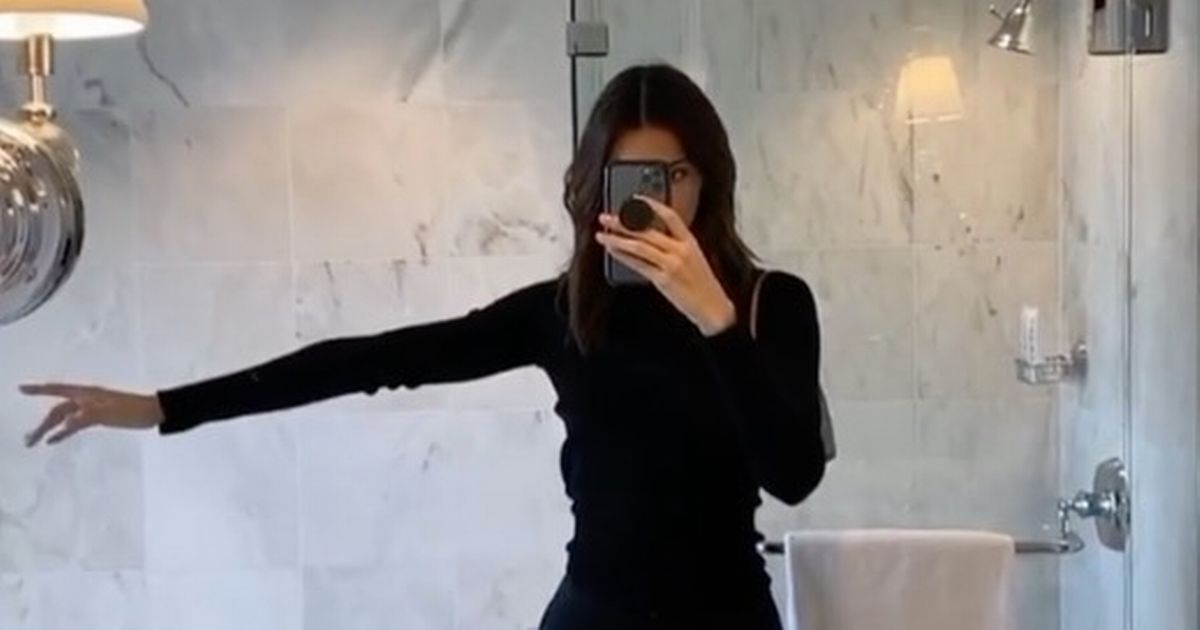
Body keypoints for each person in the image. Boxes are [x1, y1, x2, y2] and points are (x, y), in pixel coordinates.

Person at [19, 63, 826, 630]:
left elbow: (792, 474)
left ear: (709, 176)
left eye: (675, 174)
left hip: (728, 616)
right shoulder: (564, 315)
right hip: (594, 615)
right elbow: (378, 360)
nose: (660, 201)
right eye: (634, 178)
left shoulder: (769, 304)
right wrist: (165, 407)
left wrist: (715, 320)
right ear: (597, 186)